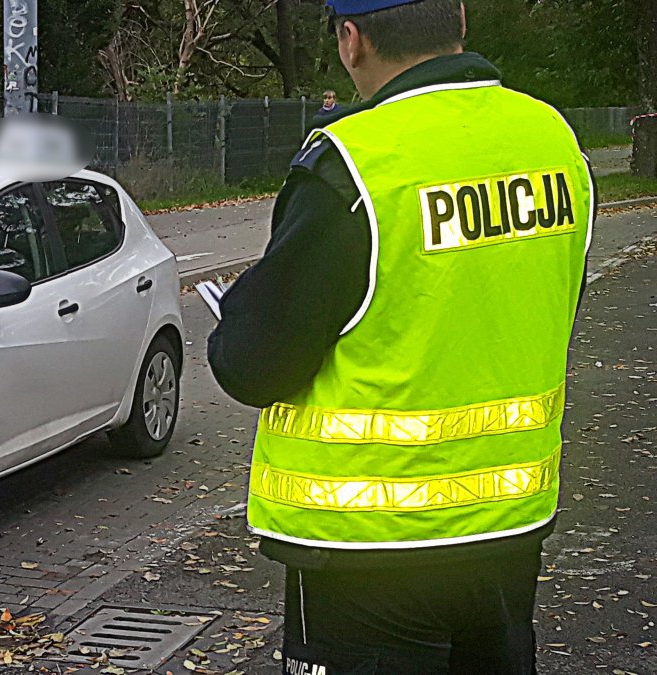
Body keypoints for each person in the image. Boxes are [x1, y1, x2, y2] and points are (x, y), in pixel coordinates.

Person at [206, 0, 595, 673]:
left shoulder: (355, 164)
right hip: (507, 531)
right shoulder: (553, 140)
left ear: (351, 40)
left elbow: (251, 365)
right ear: (461, 21)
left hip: (368, 552)